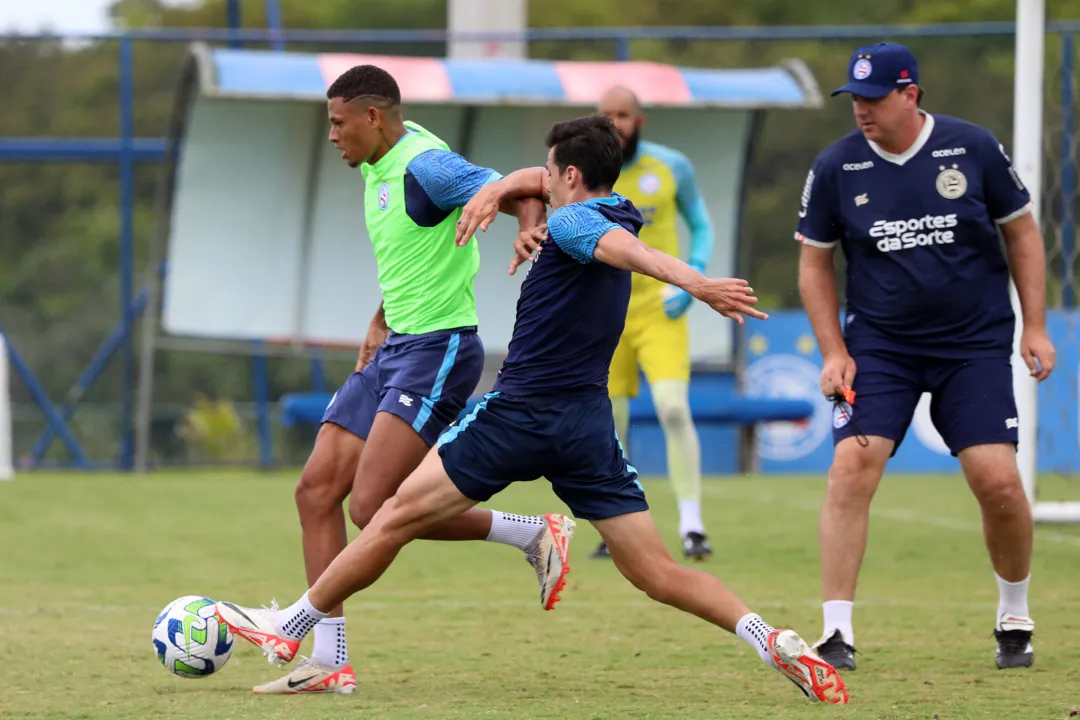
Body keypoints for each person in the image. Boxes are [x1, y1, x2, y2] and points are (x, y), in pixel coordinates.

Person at [216, 114, 849, 705]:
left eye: (549, 173)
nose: (540, 183)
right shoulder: (614, 208)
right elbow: (545, 195)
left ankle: (291, 624)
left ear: (570, 178)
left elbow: (633, 255)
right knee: (656, 572)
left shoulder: (577, 223)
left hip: (517, 417)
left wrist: (698, 283)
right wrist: (498, 197)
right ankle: (766, 638)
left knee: (388, 516)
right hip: (586, 428)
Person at [261, 64, 574, 695]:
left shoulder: (424, 163)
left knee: (372, 507)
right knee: (315, 491)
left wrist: (527, 223)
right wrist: (380, 316)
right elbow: (415, 249)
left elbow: (523, 183)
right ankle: (329, 661)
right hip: (396, 346)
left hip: (438, 351)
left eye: (338, 123)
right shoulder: (383, 164)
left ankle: (533, 532)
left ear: (372, 117)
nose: (332, 136)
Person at [795, 42, 1055, 671]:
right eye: (855, 98)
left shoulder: (972, 148)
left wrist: (1036, 326)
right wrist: (834, 351)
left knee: (997, 480)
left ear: (910, 94)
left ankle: (1014, 613)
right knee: (851, 469)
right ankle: (836, 633)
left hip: (973, 344)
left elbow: (1021, 232)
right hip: (880, 346)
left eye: (875, 97)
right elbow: (814, 263)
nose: (862, 110)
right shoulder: (836, 166)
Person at [589, 86, 716, 561]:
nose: (616, 123)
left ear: (639, 119)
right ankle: (616, 525)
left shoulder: (671, 166)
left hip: (660, 309)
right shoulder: (589, 173)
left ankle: (692, 525)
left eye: (623, 115)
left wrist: (690, 281)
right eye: (607, 115)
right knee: (610, 421)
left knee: (672, 407)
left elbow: (701, 224)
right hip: (608, 312)